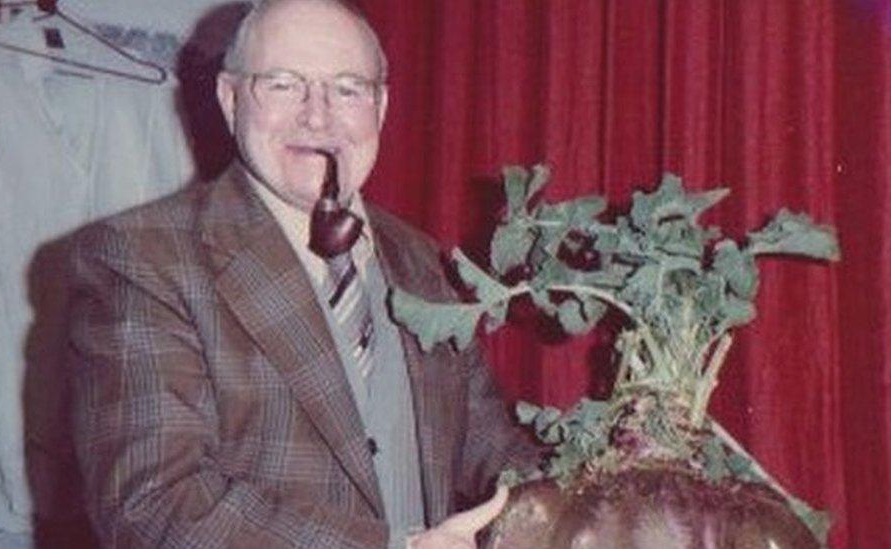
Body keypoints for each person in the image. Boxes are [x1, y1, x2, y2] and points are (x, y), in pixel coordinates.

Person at [66, 0, 539, 547]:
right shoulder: (142, 258)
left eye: (347, 89)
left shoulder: (425, 263)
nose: (318, 116)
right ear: (230, 99)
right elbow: (153, 502)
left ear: (380, 108)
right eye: (284, 84)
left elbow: (492, 455)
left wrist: (617, 480)